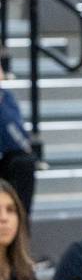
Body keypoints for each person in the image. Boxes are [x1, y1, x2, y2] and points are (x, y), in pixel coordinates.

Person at [0, 62, 35, 223]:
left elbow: (21, 142)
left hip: (4, 160)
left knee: (23, 162)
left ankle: (20, 231)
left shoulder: (5, 98)